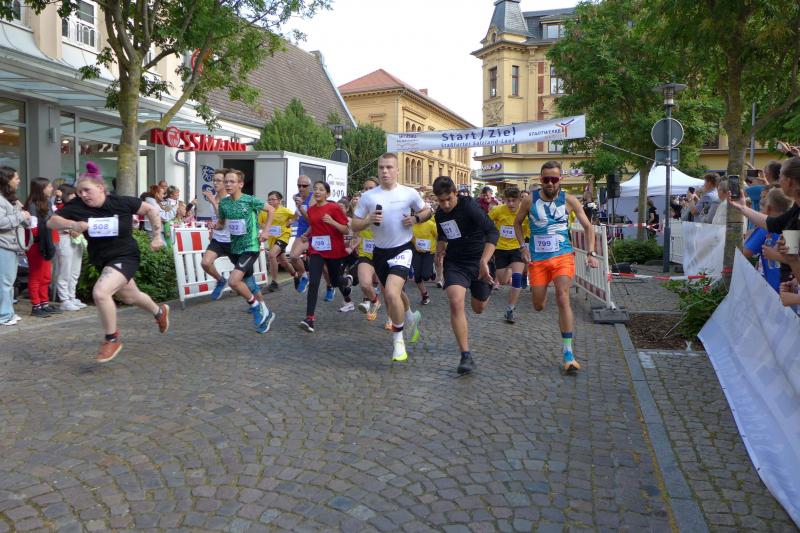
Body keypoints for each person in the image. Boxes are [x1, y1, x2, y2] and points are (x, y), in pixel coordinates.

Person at [48, 161, 170, 362]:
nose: (83, 195)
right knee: (131, 296)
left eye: (87, 190)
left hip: (125, 256)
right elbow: (51, 221)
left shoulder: (120, 202)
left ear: (100, 188)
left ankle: (112, 339)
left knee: (101, 292)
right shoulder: (77, 207)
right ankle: (159, 312)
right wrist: (73, 224)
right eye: (80, 192)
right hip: (102, 260)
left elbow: (151, 210)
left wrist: (157, 236)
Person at [514, 161, 599, 373]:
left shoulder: (569, 200)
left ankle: (568, 353)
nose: (550, 183)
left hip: (562, 256)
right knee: (538, 305)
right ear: (540, 179)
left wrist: (591, 253)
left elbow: (588, 227)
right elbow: (517, 223)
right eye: (546, 179)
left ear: (560, 179)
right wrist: (523, 247)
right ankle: (556, 318)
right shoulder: (529, 200)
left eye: (554, 179)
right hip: (538, 260)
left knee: (562, 296)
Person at [351, 153, 432, 362]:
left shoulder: (409, 193)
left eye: (389, 167)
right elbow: (354, 225)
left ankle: (398, 341)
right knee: (392, 294)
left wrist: (415, 218)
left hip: (403, 249)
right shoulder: (369, 196)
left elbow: (427, 211)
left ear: (397, 170)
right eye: (381, 167)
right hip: (379, 251)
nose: (385, 171)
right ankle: (410, 316)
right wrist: (368, 220)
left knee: (391, 293)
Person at [433, 176, 499, 374]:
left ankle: (485, 289)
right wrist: (440, 249)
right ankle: (465, 355)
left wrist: (484, 261)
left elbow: (492, 232)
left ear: (456, 193)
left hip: (480, 260)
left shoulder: (469, 206)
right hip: (456, 263)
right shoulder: (439, 214)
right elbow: (443, 235)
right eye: (441, 200)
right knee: (455, 301)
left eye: (449, 199)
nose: (445, 204)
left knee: (478, 308)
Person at [215, 169, 276, 334]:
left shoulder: (250, 200)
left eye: (232, 181)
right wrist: (214, 226)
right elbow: (222, 223)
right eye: (226, 182)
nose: (228, 184)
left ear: (240, 184)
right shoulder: (224, 203)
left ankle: (255, 306)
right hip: (235, 248)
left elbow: (271, 210)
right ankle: (266, 313)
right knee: (249, 284)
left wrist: (266, 231)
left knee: (233, 281)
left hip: (250, 247)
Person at [731, 157, 800, 280]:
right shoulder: (796, 209)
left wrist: (783, 257)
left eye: (780, 176)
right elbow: (775, 224)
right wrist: (743, 208)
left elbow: (746, 252)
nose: (778, 181)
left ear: (789, 182)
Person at [298, 181, 353, 332]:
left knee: (335, 281)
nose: (317, 192)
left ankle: (346, 282)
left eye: (321, 190)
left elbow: (346, 230)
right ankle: (309, 318)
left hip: (334, 250)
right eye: (315, 189)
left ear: (327, 194)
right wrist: (306, 234)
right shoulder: (311, 210)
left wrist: (332, 221)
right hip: (316, 250)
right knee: (314, 282)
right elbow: (314, 225)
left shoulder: (334, 207)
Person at [489, 187, 529, 323]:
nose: (511, 204)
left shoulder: (524, 212)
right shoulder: (498, 210)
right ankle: (510, 269)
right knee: (503, 281)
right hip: (500, 249)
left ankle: (510, 309)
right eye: (508, 201)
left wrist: (526, 246)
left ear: (519, 200)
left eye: (514, 200)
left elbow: (529, 231)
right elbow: (487, 223)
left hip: (518, 248)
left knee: (517, 278)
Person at [743, 187, 793, 293]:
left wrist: (749, 236)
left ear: (769, 209)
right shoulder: (793, 224)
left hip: (774, 287)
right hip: (792, 286)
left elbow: (746, 252)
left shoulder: (764, 228)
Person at [24, 177, 62, 317]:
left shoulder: (47, 202)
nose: (52, 188)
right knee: (36, 275)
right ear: (41, 189)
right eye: (49, 186)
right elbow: (32, 228)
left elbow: (56, 216)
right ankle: (36, 305)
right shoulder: (32, 205)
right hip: (37, 244)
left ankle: (44, 303)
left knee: (45, 275)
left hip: (47, 242)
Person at [0, 166, 30, 326]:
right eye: (16, 178)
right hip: (4, 246)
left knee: (9, 282)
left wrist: (21, 213)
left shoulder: (9, 200)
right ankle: (4, 315)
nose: (19, 181)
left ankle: (8, 312)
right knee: (5, 283)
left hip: (11, 246)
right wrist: (20, 215)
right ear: (7, 180)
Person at [201, 169, 234, 299]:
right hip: (217, 239)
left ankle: (254, 299)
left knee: (243, 274)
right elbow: (215, 219)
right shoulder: (213, 199)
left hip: (232, 240)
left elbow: (222, 217)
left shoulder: (230, 199)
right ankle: (221, 280)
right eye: (214, 180)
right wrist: (211, 229)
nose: (215, 183)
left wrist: (213, 202)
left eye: (218, 180)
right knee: (205, 263)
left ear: (225, 183)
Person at [53, 184, 87, 311]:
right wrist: (70, 229)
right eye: (71, 194)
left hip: (76, 239)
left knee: (75, 271)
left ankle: (72, 297)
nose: (74, 196)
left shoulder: (76, 207)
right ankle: (64, 299)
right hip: (64, 238)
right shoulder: (59, 207)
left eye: (74, 193)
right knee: (64, 270)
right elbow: (53, 223)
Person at [264, 190, 297, 292]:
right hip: (272, 239)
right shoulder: (264, 211)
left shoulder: (285, 211)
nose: (270, 201)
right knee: (284, 262)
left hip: (283, 236)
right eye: (269, 200)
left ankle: (274, 282)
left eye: (273, 199)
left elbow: (296, 216)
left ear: (279, 201)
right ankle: (296, 275)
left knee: (271, 255)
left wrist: (290, 222)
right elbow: (260, 223)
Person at [411, 212, 437, 305]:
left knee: (426, 276)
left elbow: (438, 236)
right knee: (417, 277)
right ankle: (425, 296)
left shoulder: (431, 225)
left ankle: (432, 269)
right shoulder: (412, 225)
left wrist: (442, 248)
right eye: (416, 214)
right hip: (417, 252)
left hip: (429, 252)